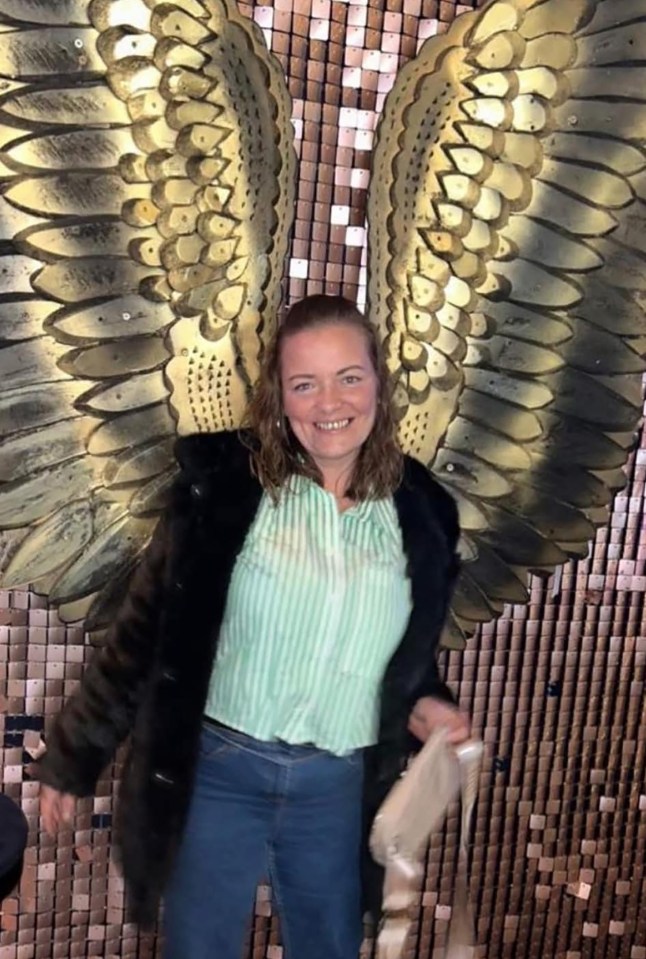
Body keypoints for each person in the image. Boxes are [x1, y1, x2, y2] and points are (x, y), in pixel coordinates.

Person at [38, 295, 470, 959]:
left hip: (338, 787)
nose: (330, 401)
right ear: (280, 395)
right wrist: (73, 757)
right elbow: (144, 635)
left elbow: (397, 654)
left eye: (348, 376)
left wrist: (428, 701)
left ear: (379, 382)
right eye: (306, 383)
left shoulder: (421, 515)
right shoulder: (227, 491)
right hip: (220, 774)